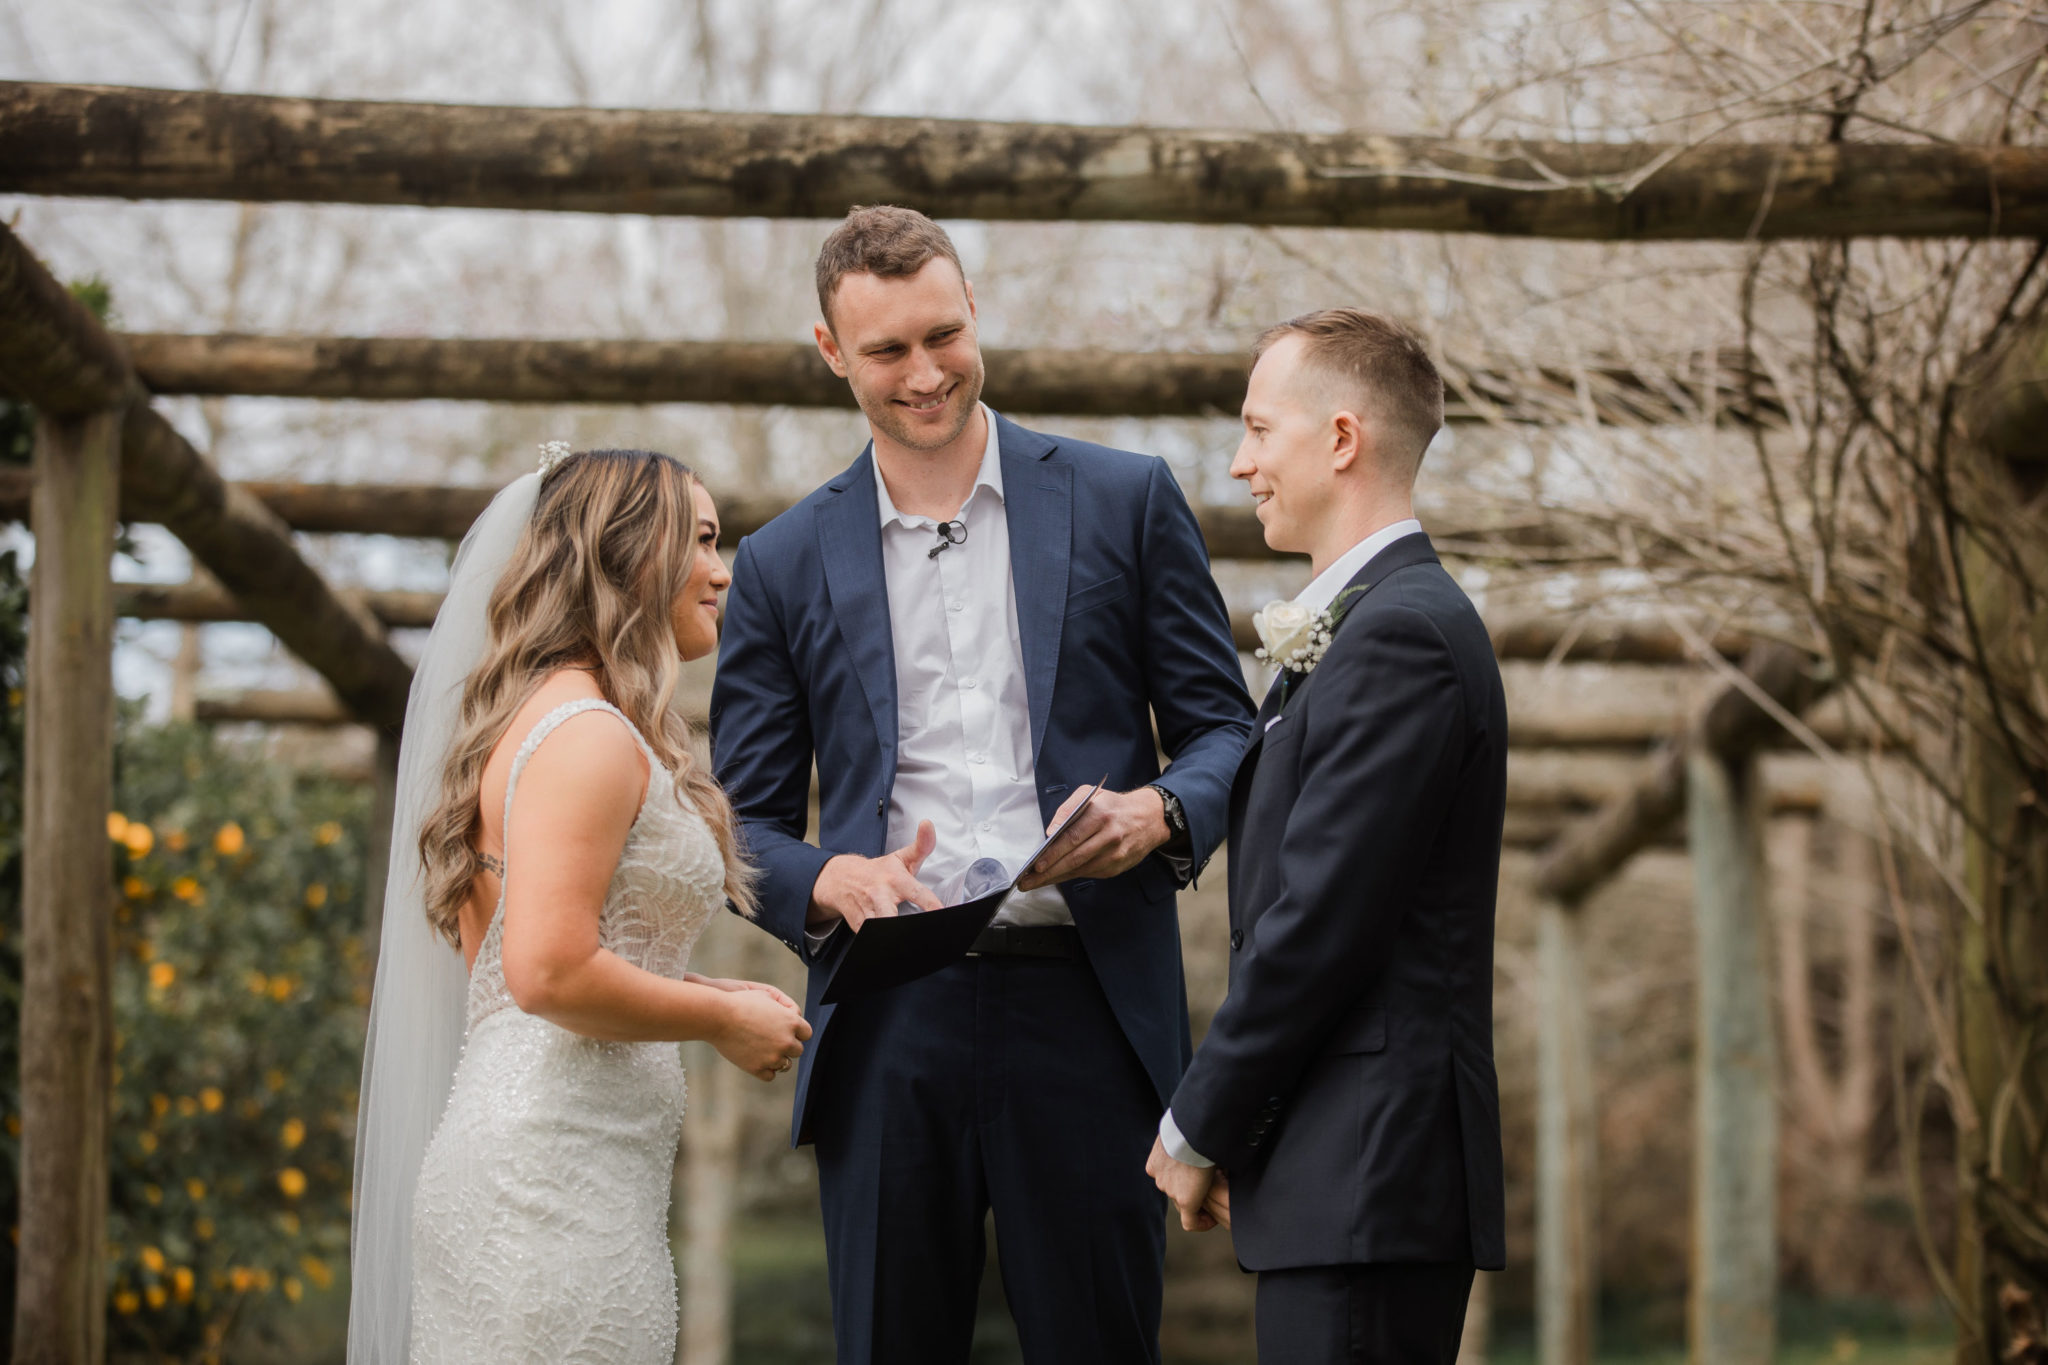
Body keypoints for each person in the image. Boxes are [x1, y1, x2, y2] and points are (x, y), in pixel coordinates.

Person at [711, 206, 1256, 1365]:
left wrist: (1158, 809)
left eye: (942, 335)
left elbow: (1224, 731)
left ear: (973, 311)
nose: (925, 374)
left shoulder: (1127, 499)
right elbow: (738, 827)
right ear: (828, 352)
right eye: (886, 352)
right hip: (886, 1020)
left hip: (1090, 1010)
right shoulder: (777, 564)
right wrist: (827, 879)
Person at [347, 446, 811, 1365]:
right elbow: (548, 969)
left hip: (558, 1167)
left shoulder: (547, 718)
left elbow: (544, 956)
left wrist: (712, 988)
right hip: (547, 1186)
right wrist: (719, 1015)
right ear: (631, 551)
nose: (724, 570)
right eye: (705, 541)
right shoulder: (588, 734)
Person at [1146, 309, 1509, 1365]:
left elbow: (1316, 924)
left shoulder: (1399, 636)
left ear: (1340, 439)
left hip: (1368, 1171)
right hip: (1338, 1176)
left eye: (1258, 430)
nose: (1238, 462)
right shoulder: (1375, 628)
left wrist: (1195, 1123)